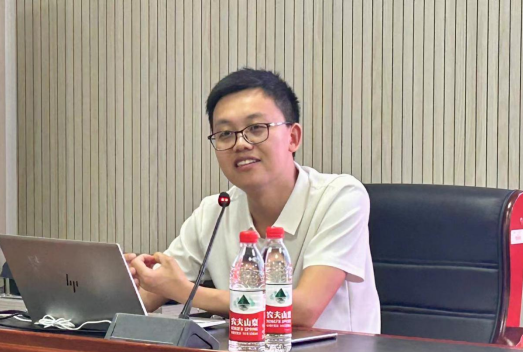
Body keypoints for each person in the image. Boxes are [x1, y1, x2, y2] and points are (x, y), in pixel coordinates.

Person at [126, 68, 380, 333]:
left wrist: (185, 291)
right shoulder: (214, 212)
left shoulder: (340, 196)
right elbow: (148, 295)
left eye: (256, 128)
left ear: (293, 138)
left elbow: (304, 309)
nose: (240, 144)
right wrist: (124, 282)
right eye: (225, 134)